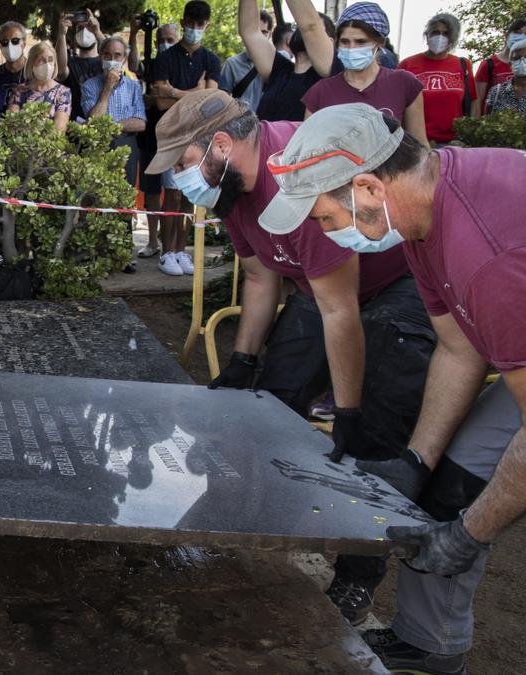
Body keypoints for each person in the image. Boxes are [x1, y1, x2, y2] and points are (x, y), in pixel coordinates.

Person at [148, 90, 434, 627]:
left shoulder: (297, 174)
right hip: (319, 291)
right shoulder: (229, 191)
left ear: (222, 145)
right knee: (268, 403)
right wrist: (243, 360)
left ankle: (355, 580)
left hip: (396, 287)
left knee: (376, 429)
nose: (179, 181)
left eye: (183, 164)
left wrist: (345, 412)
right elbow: (260, 276)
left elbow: (341, 311)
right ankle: (246, 523)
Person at [258, 101, 526, 675]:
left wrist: (472, 532)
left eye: (323, 216)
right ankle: (431, 646)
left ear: (367, 188)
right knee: (448, 488)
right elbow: (460, 348)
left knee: (470, 516)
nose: (321, 231)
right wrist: (415, 460)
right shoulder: (423, 218)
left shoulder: (487, 257)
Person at [151, 0, 221, 277]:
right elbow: (160, 104)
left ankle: (181, 250)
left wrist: (176, 93)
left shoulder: (211, 60)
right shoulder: (165, 58)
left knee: (191, 194)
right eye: (190, 24)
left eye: (199, 25)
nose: (194, 29)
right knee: (172, 193)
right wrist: (196, 91)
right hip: (171, 135)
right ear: (182, 23)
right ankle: (167, 251)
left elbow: (212, 100)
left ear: (207, 25)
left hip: (199, 138)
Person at [301, 2, 428, 148]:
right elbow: (307, 149)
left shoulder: (404, 84)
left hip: (391, 170)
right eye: (345, 42)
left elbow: (419, 146)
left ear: (379, 43)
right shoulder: (320, 91)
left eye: (361, 42)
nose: (351, 48)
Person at [244, 0, 337, 123]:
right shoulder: (279, 69)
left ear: (330, 42)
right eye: (298, 26)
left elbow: (310, 26)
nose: (301, 29)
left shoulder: (330, 74)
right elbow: (249, 31)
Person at [134, 22, 181, 261]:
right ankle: (153, 241)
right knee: (151, 191)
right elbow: (135, 65)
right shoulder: (151, 65)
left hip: (175, 138)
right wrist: (134, 33)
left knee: (174, 193)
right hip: (149, 137)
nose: (165, 43)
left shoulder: (181, 64)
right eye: (161, 39)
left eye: (170, 39)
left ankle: (171, 246)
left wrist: (165, 96)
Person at [399, 14, 476, 144]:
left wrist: (471, 135)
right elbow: (398, 103)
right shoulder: (407, 65)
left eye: (446, 34)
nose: (440, 37)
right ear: (427, 34)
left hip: (455, 143)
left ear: (452, 38)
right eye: (435, 32)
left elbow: (474, 101)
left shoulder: (463, 65)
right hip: (416, 142)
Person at [81, 37, 144, 175]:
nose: (112, 59)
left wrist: (110, 125)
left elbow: (140, 123)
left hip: (126, 144)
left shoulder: (134, 87)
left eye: (117, 55)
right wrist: (108, 87)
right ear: (101, 57)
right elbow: (94, 120)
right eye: (107, 55)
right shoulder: (89, 86)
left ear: (124, 59)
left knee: (126, 191)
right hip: (98, 145)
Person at [8, 40, 72, 134]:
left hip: (50, 147)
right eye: (41, 60)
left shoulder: (63, 92)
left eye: (50, 59)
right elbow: (11, 125)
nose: (47, 64)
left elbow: (59, 130)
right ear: (32, 63)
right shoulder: (19, 91)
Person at [57, 9, 107, 121]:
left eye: (88, 28)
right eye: (80, 28)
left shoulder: (104, 62)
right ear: (75, 35)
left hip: (102, 125)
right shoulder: (70, 63)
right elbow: (60, 70)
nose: (85, 32)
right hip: (76, 126)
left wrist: (97, 32)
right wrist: (61, 34)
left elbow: (112, 54)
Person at [219, 8, 273, 111]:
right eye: (254, 31)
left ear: (269, 35)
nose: (258, 37)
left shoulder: (277, 64)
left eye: (263, 32)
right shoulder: (232, 64)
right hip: (239, 123)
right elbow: (222, 101)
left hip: (268, 124)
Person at [475, 20, 526, 116]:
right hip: (494, 125)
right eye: (518, 33)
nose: (521, 37)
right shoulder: (488, 65)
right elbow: (477, 101)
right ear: (507, 36)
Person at [0, 21, 29, 109]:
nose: (10, 45)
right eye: (5, 42)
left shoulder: (35, 72)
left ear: (23, 43)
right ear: (0, 46)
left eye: (15, 41)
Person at [485, 38, 526, 115]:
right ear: (510, 64)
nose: (522, 61)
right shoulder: (496, 92)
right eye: (517, 58)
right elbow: (488, 123)